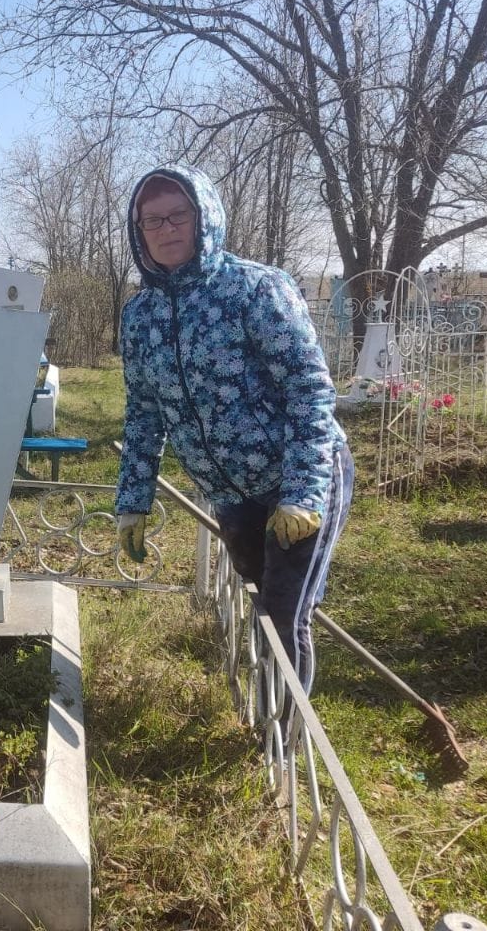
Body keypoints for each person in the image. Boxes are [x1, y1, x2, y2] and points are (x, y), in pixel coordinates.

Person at [115, 165, 352, 696]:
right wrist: (134, 499)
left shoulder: (255, 288)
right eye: (151, 220)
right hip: (230, 493)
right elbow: (144, 413)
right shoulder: (139, 316)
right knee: (263, 594)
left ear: (205, 217)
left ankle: (285, 744)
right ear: (138, 231)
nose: (166, 228)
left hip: (299, 476)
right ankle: (272, 716)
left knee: (282, 612)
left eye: (179, 214)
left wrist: (303, 492)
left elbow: (309, 393)